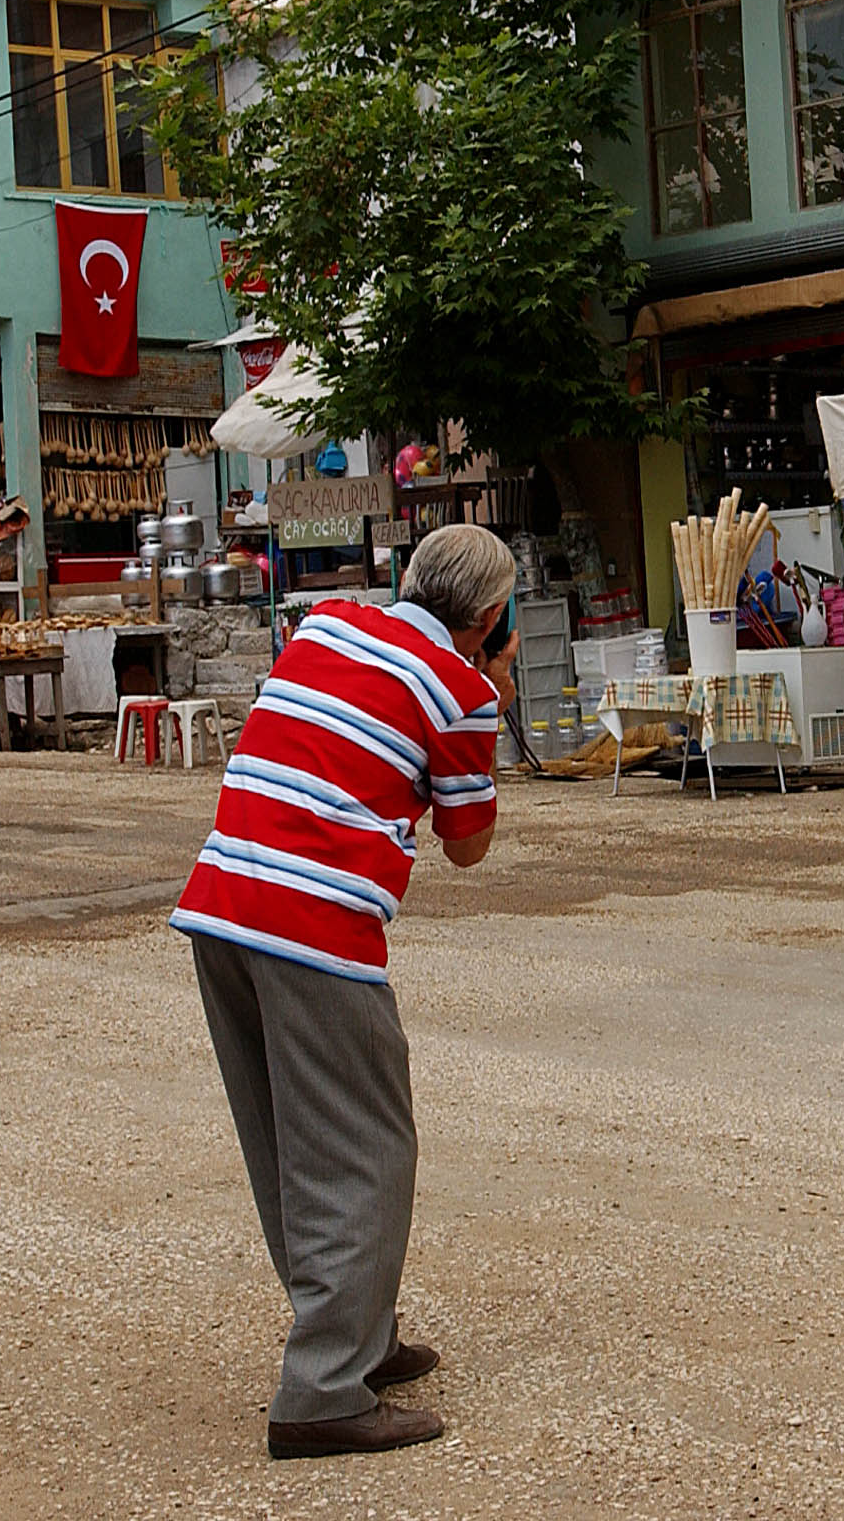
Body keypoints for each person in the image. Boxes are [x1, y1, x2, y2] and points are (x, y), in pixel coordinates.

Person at [171, 524, 518, 1460]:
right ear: (492, 617)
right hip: (315, 927)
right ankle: (323, 1392)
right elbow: (469, 844)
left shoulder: (326, 625)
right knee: (367, 1147)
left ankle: (356, 1335)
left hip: (222, 903)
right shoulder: (464, 689)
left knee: (290, 1140)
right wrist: (494, 700)